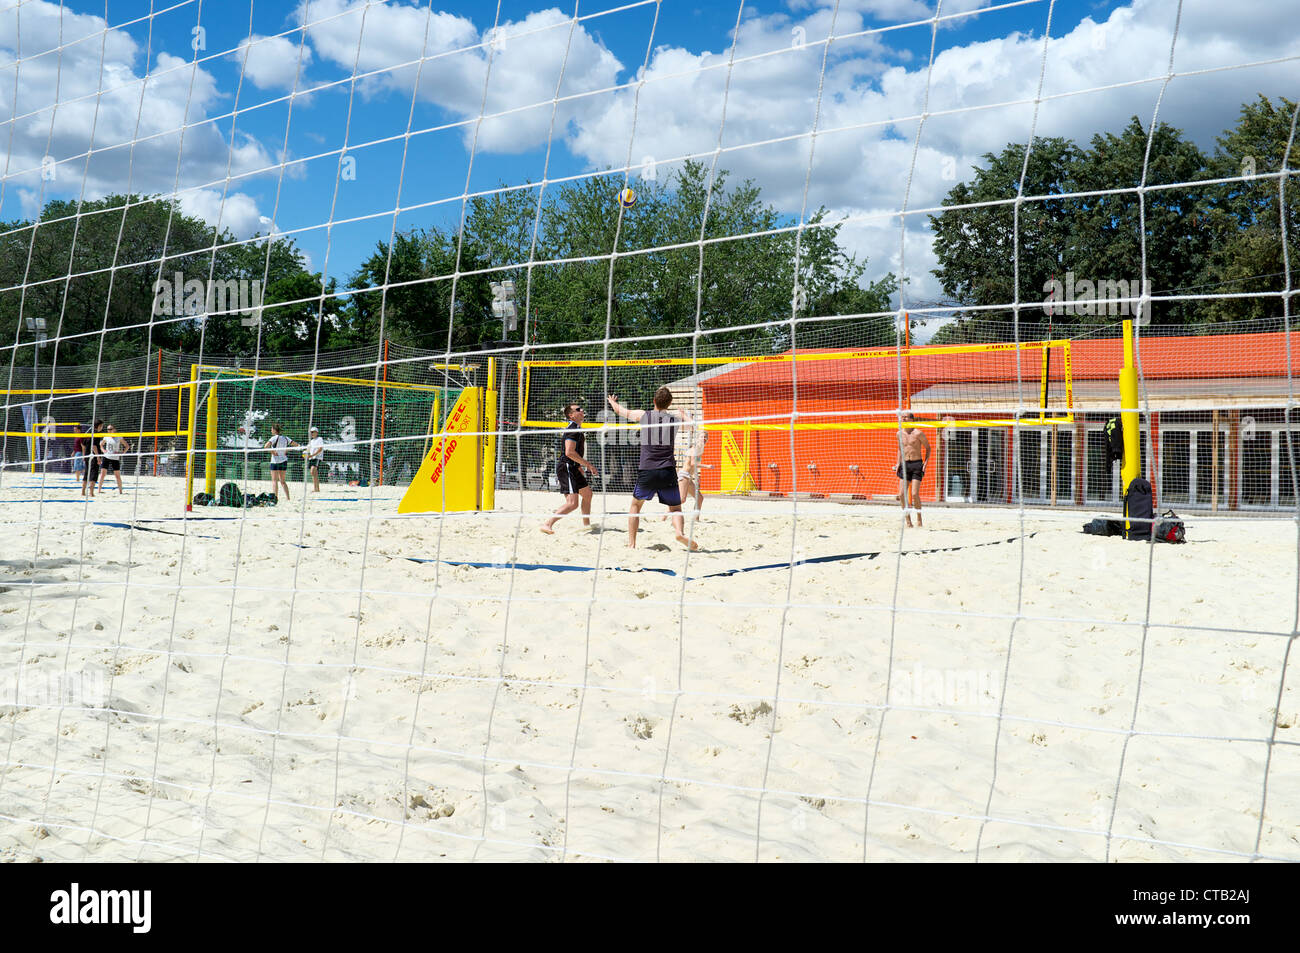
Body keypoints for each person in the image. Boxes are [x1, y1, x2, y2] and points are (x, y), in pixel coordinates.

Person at [606, 388, 699, 551]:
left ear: (654, 401)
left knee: (635, 506)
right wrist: (683, 414)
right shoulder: (673, 420)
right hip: (667, 470)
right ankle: (679, 532)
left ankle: (632, 544)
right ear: (669, 404)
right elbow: (692, 427)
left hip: (647, 469)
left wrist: (612, 402)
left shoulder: (644, 415)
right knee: (676, 508)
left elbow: (620, 411)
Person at [540, 403, 598, 534]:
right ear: (571, 415)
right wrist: (588, 465)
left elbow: (572, 453)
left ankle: (586, 525)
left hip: (572, 467)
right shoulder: (573, 429)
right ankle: (547, 524)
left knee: (588, 494)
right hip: (566, 467)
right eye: (578, 410)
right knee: (572, 503)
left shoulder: (576, 428)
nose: (582, 410)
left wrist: (578, 466)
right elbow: (569, 452)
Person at [897, 412, 931, 528]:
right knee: (901, 494)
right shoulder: (899, 433)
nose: (903, 418)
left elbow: (928, 448)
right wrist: (898, 463)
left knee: (914, 494)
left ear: (911, 419)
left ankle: (919, 519)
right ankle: (908, 522)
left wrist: (925, 463)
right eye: (902, 417)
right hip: (905, 464)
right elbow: (900, 449)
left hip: (917, 464)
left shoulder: (918, 433)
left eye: (905, 417)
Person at [263, 423, 299, 501]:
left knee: (274, 481)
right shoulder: (286, 438)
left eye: (271, 429)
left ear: (275, 430)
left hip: (275, 461)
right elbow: (296, 445)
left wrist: (272, 452)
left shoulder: (273, 438)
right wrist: (287, 450)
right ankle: (288, 498)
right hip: (283, 461)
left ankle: (275, 498)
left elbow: (265, 446)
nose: (271, 430)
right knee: (283, 481)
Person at [96, 423, 130, 495]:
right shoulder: (106, 437)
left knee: (117, 475)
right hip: (106, 457)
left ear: (114, 429)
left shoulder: (118, 437)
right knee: (102, 474)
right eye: (108, 429)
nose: (109, 430)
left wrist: (122, 453)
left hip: (115, 458)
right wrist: (103, 450)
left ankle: (120, 491)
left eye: (110, 429)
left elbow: (127, 446)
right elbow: (101, 445)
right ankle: (99, 490)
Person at [82, 419, 104, 498]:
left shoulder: (88, 432)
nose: (102, 427)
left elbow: (83, 445)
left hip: (87, 455)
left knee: (86, 473)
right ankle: (91, 493)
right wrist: (98, 457)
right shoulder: (96, 433)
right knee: (93, 474)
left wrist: (84, 455)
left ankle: (83, 492)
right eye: (101, 426)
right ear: (97, 426)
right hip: (93, 456)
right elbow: (94, 446)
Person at [304, 426, 325, 493]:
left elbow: (320, 449)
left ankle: (316, 488)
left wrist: (312, 455)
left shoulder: (319, 439)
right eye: (311, 432)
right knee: (313, 473)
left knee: (313, 471)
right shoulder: (311, 441)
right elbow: (307, 449)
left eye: (313, 432)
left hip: (317, 457)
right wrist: (305, 454)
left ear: (317, 432)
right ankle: (316, 488)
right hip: (312, 458)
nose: (312, 433)